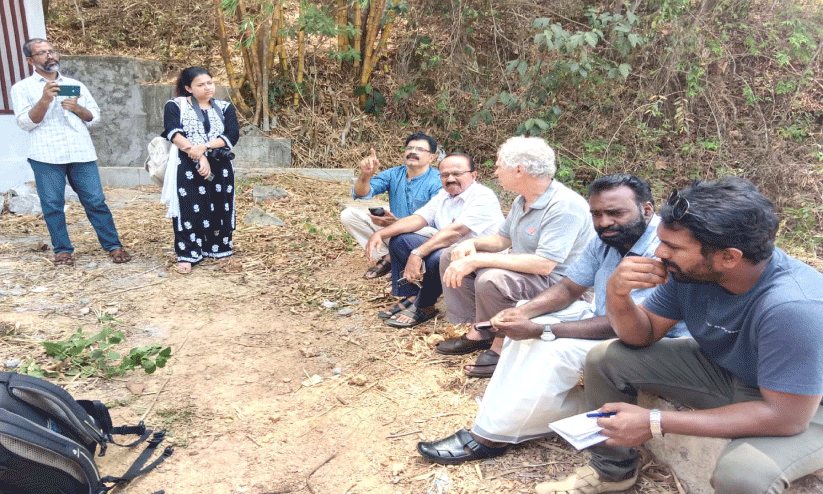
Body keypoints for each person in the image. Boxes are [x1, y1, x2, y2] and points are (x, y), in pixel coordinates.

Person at [536, 177, 823, 494]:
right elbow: (641, 335)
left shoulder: (792, 307)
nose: (659, 252)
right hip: (734, 373)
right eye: (661, 241)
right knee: (606, 358)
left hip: (803, 404)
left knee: (743, 475)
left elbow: (787, 418)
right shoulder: (693, 272)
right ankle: (612, 473)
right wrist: (617, 293)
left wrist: (655, 421)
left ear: (729, 257)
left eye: (673, 247)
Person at [417, 174, 688, 465]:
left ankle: (490, 437)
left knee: (553, 347)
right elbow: (569, 288)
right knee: (524, 313)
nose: (604, 222)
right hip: (606, 320)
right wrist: (523, 313)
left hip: (651, 340)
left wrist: (541, 329)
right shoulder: (608, 240)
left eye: (615, 213)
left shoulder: (662, 250)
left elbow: (627, 327)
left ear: (646, 210)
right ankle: (513, 413)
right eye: (596, 214)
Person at [435, 136, 594, 378]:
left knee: (491, 278)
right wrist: (471, 244)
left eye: (499, 166)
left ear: (519, 170)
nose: (495, 172)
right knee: (452, 255)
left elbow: (544, 264)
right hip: (532, 273)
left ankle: (502, 346)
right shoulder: (523, 200)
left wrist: (478, 260)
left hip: (563, 284)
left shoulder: (564, 205)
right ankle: (480, 329)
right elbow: (502, 240)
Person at [10, 38, 132, 266]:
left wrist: (76, 107)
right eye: (42, 53)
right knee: (52, 205)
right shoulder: (22, 88)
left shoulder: (75, 84)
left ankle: (113, 246)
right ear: (30, 60)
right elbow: (25, 123)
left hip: (80, 152)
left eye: (52, 51)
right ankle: (63, 251)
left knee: (96, 202)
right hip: (46, 155)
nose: (49, 55)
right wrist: (44, 100)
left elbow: (94, 117)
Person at [365, 153, 504, 327]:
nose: (450, 179)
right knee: (400, 241)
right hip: (452, 249)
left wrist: (417, 253)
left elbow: (455, 232)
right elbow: (418, 218)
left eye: (457, 174)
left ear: (473, 175)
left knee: (437, 256)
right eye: (445, 175)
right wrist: (380, 234)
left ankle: (425, 305)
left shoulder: (483, 196)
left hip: (480, 255)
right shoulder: (443, 195)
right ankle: (413, 295)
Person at [161, 67, 240, 274]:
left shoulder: (224, 107)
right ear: (188, 88)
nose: (207, 88)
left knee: (220, 204)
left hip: (219, 163)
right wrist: (198, 155)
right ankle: (188, 253)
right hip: (186, 163)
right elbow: (173, 132)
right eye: (200, 85)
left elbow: (232, 135)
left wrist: (205, 147)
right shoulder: (175, 105)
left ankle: (218, 248)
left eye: (209, 83)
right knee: (189, 206)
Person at [341, 133, 442, 281]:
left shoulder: (438, 180)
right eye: (410, 148)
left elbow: (435, 219)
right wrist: (366, 175)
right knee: (349, 215)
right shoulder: (394, 173)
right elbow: (361, 193)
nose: (413, 152)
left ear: (431, 157)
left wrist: (398, 223)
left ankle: (407, 260)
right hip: (393, 229)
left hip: (422, 235)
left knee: (431, 231)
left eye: (420, 149)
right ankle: (388, 257)